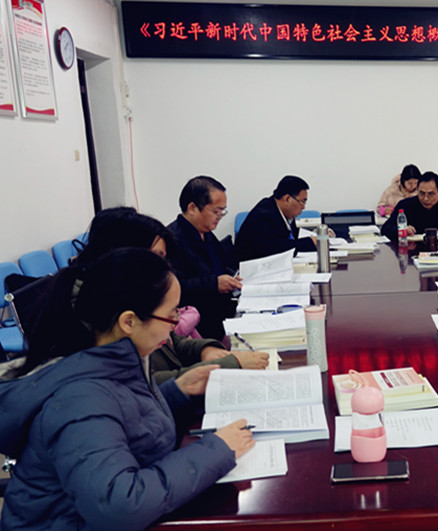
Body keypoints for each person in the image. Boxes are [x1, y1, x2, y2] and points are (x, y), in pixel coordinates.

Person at [0, 249, 254, 530]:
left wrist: (176, 393)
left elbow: (121, 419)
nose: (174, 328)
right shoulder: (80, 399)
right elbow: (120, 505)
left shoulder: (117, 359)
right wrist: (218, 450)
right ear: (129, 322)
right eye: (171, 316)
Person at [74, 207, 269, 383]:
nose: (163, 268)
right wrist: (227, 365)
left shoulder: (131, 289)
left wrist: (204, 349)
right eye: (156, 257)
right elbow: (142, 383)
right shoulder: (92, 307)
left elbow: (168, 340)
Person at [167, 176, 240, 340]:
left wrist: (232, 276)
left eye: (223, 211)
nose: (220, 216)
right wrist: (214, 283)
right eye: (216, 211)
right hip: (198, 327)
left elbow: (216, 266)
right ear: (192, 208)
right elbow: (175, 287)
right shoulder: (172, 240)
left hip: (221, 316)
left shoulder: (206, 233)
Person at [236, 175, 318, 262]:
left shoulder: (284, 212)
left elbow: (292, 235)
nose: (303, 207)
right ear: (287, 199)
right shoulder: (264, 216)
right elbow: (277, 248)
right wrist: (309, 242)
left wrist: (315, 236)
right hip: (251, 267)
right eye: (302, 202)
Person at [380, 171, 438, 240]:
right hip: (411, 250)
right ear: (417, 190)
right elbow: (385, 229)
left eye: (430, 194)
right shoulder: (405, 205)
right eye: (422, 193)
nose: (426, 198)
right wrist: (402, 230)